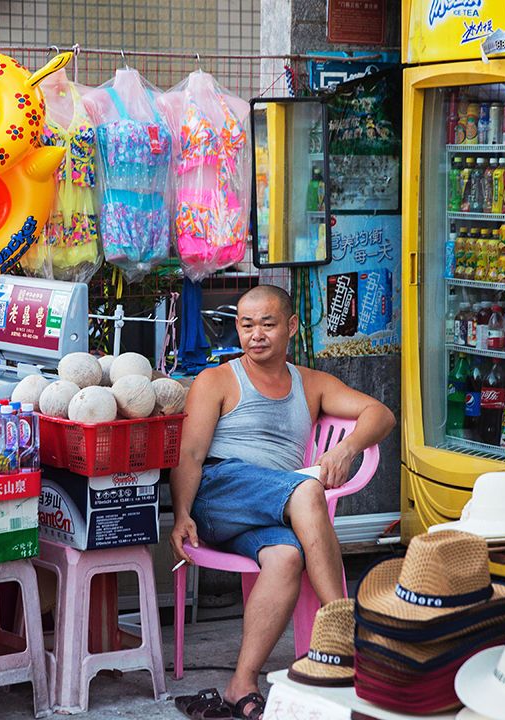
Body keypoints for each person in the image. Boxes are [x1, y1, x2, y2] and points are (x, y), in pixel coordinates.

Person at [170, 285, 394, 720]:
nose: (255, 334)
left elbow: (379, 414)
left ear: (290, 327)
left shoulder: (311, 383)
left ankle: (241, 684)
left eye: (267, 324)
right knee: (307, 489)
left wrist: (346, 449)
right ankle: (342, 629)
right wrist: (181, 515)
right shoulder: (217, 380)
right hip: (220, 496)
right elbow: (191, 455)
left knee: (287, 556)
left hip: (271, 505)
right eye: (246, 324)